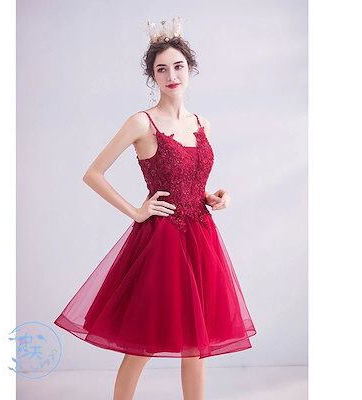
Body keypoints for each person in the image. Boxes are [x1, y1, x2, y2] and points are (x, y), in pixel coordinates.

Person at [54, 17, 256, 400]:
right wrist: (136, 211)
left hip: (201, 237)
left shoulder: (201, 123)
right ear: (153, 76)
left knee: (196, 347)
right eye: (161, 69)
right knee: (140, 345)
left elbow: (190, 179)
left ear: (190, 69)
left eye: (178, 66)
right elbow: (93, 174)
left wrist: (213, 197)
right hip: (162, 242)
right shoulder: (141, 123)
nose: (171, 75)